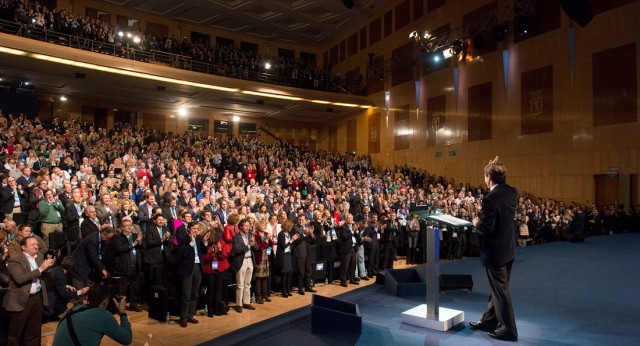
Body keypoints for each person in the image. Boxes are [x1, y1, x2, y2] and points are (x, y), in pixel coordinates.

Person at [469, 156, 518, 342]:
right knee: (497, 290)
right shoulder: (512, 192)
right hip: (508, 249)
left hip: (496, 252)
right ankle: (489, 321)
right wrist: (491, 166)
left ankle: (509, 330)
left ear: (489, 177)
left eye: (485, 175)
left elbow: (486, 228)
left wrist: (476, 222)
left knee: (500, 292)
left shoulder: (490, 199)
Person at [3, 236, 55, 346]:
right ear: (23, 247)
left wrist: (49, 268)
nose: (36, 246)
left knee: (34, 331)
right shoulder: (15, 260)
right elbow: (20, 278)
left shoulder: (40, 257)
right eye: (33, 244)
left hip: (37, 298)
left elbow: (48, 277)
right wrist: (41, 268)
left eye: (37, 244)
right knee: (14, 334)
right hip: (20, 300)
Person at [52, 284, 132, 346]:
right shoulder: (103, 315)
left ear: (87, 298)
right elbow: (127, 339)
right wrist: (122, 313)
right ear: (105, 301)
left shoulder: (69, 311)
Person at [176, 219, 206, 327]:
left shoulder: (199, 238)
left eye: (197, 229)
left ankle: (190, 315)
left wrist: (205, 243)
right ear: (189, 229)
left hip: (198, 267)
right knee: (186, 295)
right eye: (194, 229)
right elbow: (181, 253)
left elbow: (204, 252)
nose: (196, 231)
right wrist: (191, 243)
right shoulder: (183, 239)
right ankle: (183, 317)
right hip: (187, 268)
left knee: (195, 294)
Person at [43, 256, 89, 321]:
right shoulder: (61, 276)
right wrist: (80, 292)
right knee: (68, 296)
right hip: (50, 300)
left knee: (70, 290)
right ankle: (52, 314)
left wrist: (66, 286)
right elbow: (64, 294)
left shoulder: (57, 269)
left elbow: (55, 283)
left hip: (47, 295)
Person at [230, 218, 257, 313]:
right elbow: (236, 250)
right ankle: (239, 304)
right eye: (246, 226)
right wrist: (249, 246)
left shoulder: (250, 235)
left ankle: (246, 302)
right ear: (240, 227)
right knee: (240, 284)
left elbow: (257, 247)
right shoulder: (236, 237)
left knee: (248, 284)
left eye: (248, 226)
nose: (248, 228)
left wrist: (253, 243)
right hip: (241, 261)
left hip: (250, 260)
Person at [276, 220, 296, 298]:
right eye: (290, 226)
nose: (291, 228)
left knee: (289, 273)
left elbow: (290, 246)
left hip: (288, 255)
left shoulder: (289, 234)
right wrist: (292, 240)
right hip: (283, 256)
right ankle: (283, 291)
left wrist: (293, 241)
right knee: (284, 274)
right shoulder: (281, 234)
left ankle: (288, 290)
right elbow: (284, 246)